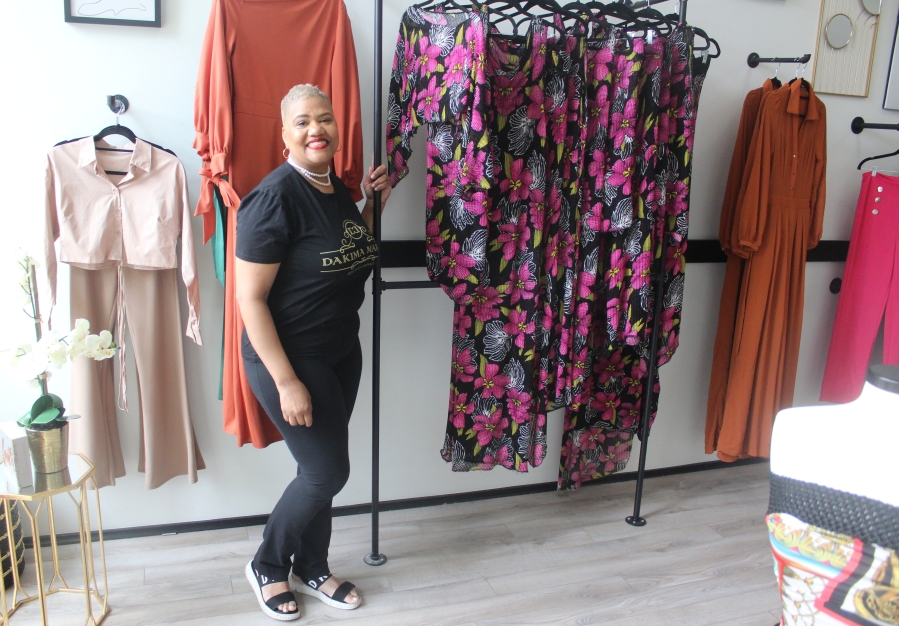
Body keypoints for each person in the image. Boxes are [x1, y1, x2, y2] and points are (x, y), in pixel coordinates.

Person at [235, 83, 391, 621]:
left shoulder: (337, 192)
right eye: (302, 122)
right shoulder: (273, 198)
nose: (315, 130)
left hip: (339, 351)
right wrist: (285, 381)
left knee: (321, 467)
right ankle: (269, 565)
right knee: (325, 473)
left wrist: (377, 204)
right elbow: (249, 301)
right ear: (285, 134)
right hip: (289, 357)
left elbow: (355, 253)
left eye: (324, 119)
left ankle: (314, 565)